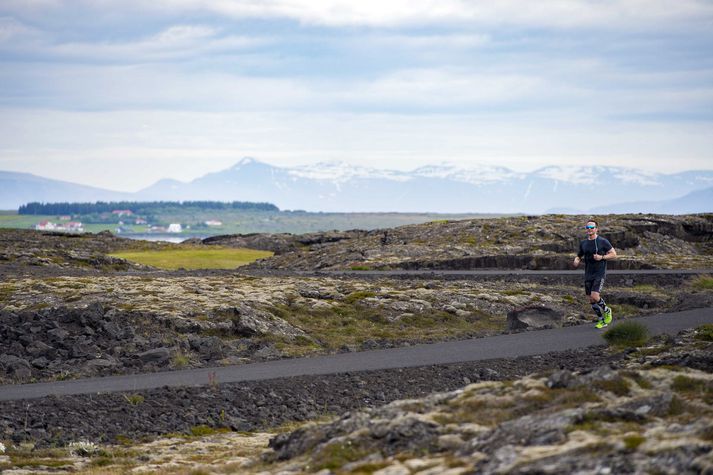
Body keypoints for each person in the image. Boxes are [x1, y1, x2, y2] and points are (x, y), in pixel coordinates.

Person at [573, 219, 617, 328]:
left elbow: (613, 254)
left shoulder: (603, 241)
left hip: (599, 273)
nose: (589, 229)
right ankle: (601, 320)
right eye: (587, 228)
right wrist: (576, 260)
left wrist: (602, 257)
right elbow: (579, 255)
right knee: (591, 299)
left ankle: (607, 311)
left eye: (592, 227)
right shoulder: (583, 243)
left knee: (595, 295)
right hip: (588, 273)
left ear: (596, 229)